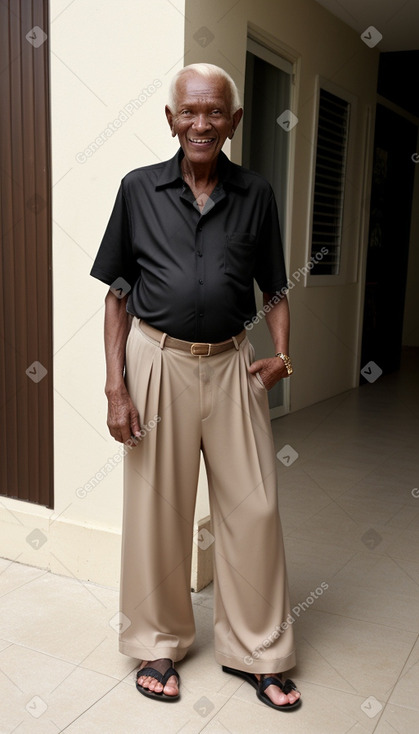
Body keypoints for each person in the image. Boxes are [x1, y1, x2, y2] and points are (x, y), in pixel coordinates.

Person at [90, 63, 301, 711]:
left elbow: (276, 290)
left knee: (254, 510)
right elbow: (116, 295)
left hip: (233, 363)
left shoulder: (255, 194)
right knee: (158, 510)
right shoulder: (137, 191)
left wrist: (282, 356)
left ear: (233, 122)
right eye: (189, 112)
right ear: (171, 119)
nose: (201, 123)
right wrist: (115, 389)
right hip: (156, 362)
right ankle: (157, 642)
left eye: (214, 113)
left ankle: (258, 651)